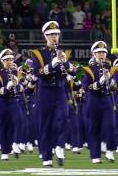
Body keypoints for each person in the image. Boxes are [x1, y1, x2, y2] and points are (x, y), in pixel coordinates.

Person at [31, 21, 74, 167]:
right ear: (45, 36)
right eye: (50, 35)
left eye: (56, 34)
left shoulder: (64, 52)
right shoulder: (37, 53)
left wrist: (65, 62)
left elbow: (73, 71)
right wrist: (52, 64)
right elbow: (37, 73)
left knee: (64, 118)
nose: (54, 37)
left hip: (60, 90)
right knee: (45, 124)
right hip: (45, 91)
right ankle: (46, 157)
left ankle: (60, 146)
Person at [82, 41, 116, 163]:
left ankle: (110, 150)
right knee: (93, 127)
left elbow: (114, 86)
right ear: (94, 54)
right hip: (93, 100)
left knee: (110, 125)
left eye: (103, 52)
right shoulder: (88, 69)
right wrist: (99, 82)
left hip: (106, 99)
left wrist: (111, 82)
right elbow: (86, 87)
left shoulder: (110, 68)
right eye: (99, 52)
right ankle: (95, 155)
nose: (101, 55)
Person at [0, 48, 23, 161]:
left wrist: (17, 85)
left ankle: (16, 143)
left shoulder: (17, 73)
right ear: (3, 61)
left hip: (14, 101)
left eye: (11, 59)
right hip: (2, 103)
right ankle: (5, 152)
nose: (10, 61)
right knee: (4, 127)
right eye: (7, 60)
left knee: (19, 122)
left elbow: (22, 88)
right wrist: (7, 87)